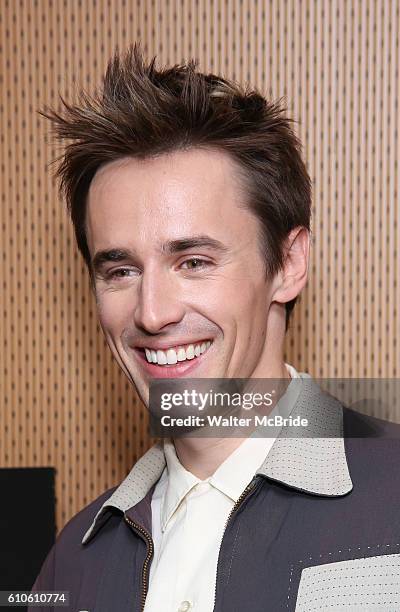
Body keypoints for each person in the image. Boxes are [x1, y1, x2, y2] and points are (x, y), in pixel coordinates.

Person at [30, 43, 400, 612]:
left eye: (194, 262)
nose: (152, 313)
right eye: (121, 270)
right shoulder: (72, 564)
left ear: (288, 264)